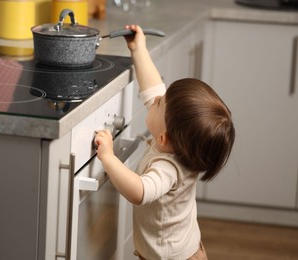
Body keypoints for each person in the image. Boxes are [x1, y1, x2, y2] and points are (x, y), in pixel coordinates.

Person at [94, 25, 235, 260]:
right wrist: (139, 49)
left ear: (163, 137)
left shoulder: (167, 169)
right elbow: (153, 88)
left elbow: (139, 191)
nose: (157, 98)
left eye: (160, 103)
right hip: (184, 250)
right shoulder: (177, 139)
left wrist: (108, 157)